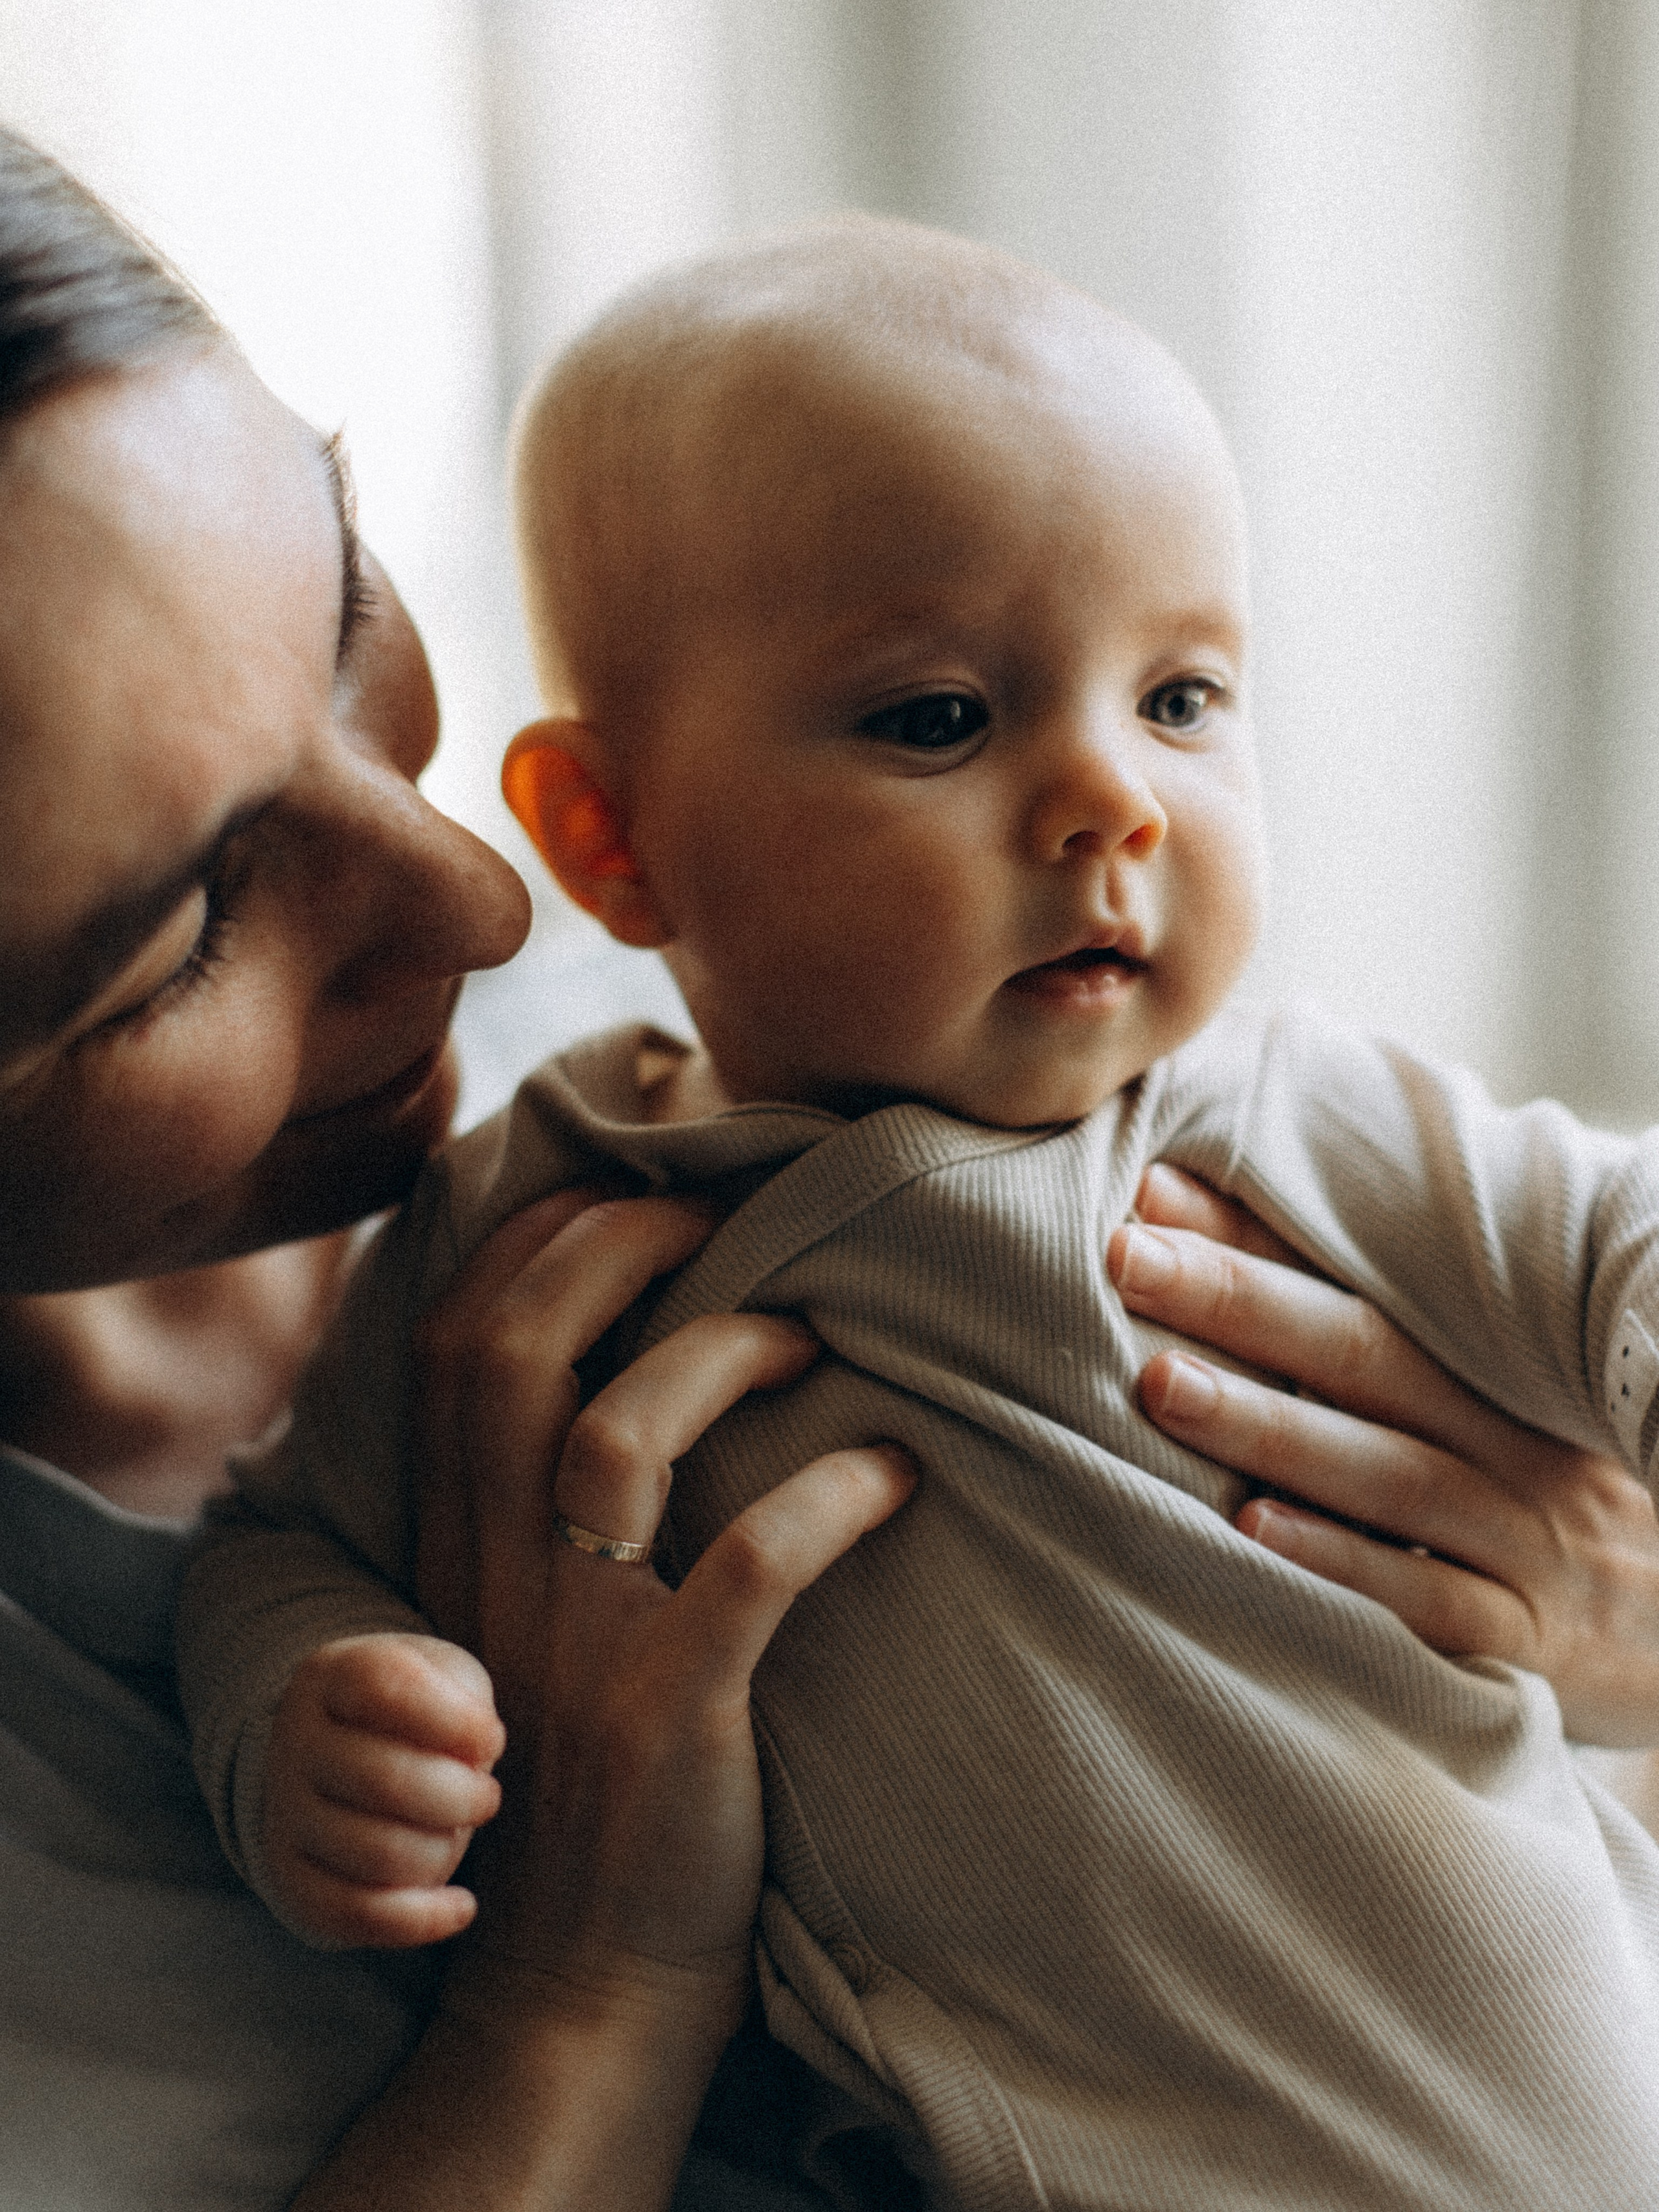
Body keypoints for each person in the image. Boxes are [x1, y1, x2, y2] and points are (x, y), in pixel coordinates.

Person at [178, 214, 1659, 2207]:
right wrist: (313, 1719)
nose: (1111, 801)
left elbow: (1614, 1246)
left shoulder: (1277, 1120)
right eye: (942, 719)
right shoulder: (531, 1233)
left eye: (1185, 699)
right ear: (613, 840)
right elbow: (276, 1546)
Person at [0, 125, 916, 2212]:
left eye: (340, 602)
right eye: (181, 943)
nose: (485, 904)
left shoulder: (697, 1036)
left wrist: (1592, 1616)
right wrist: (587, 1982)